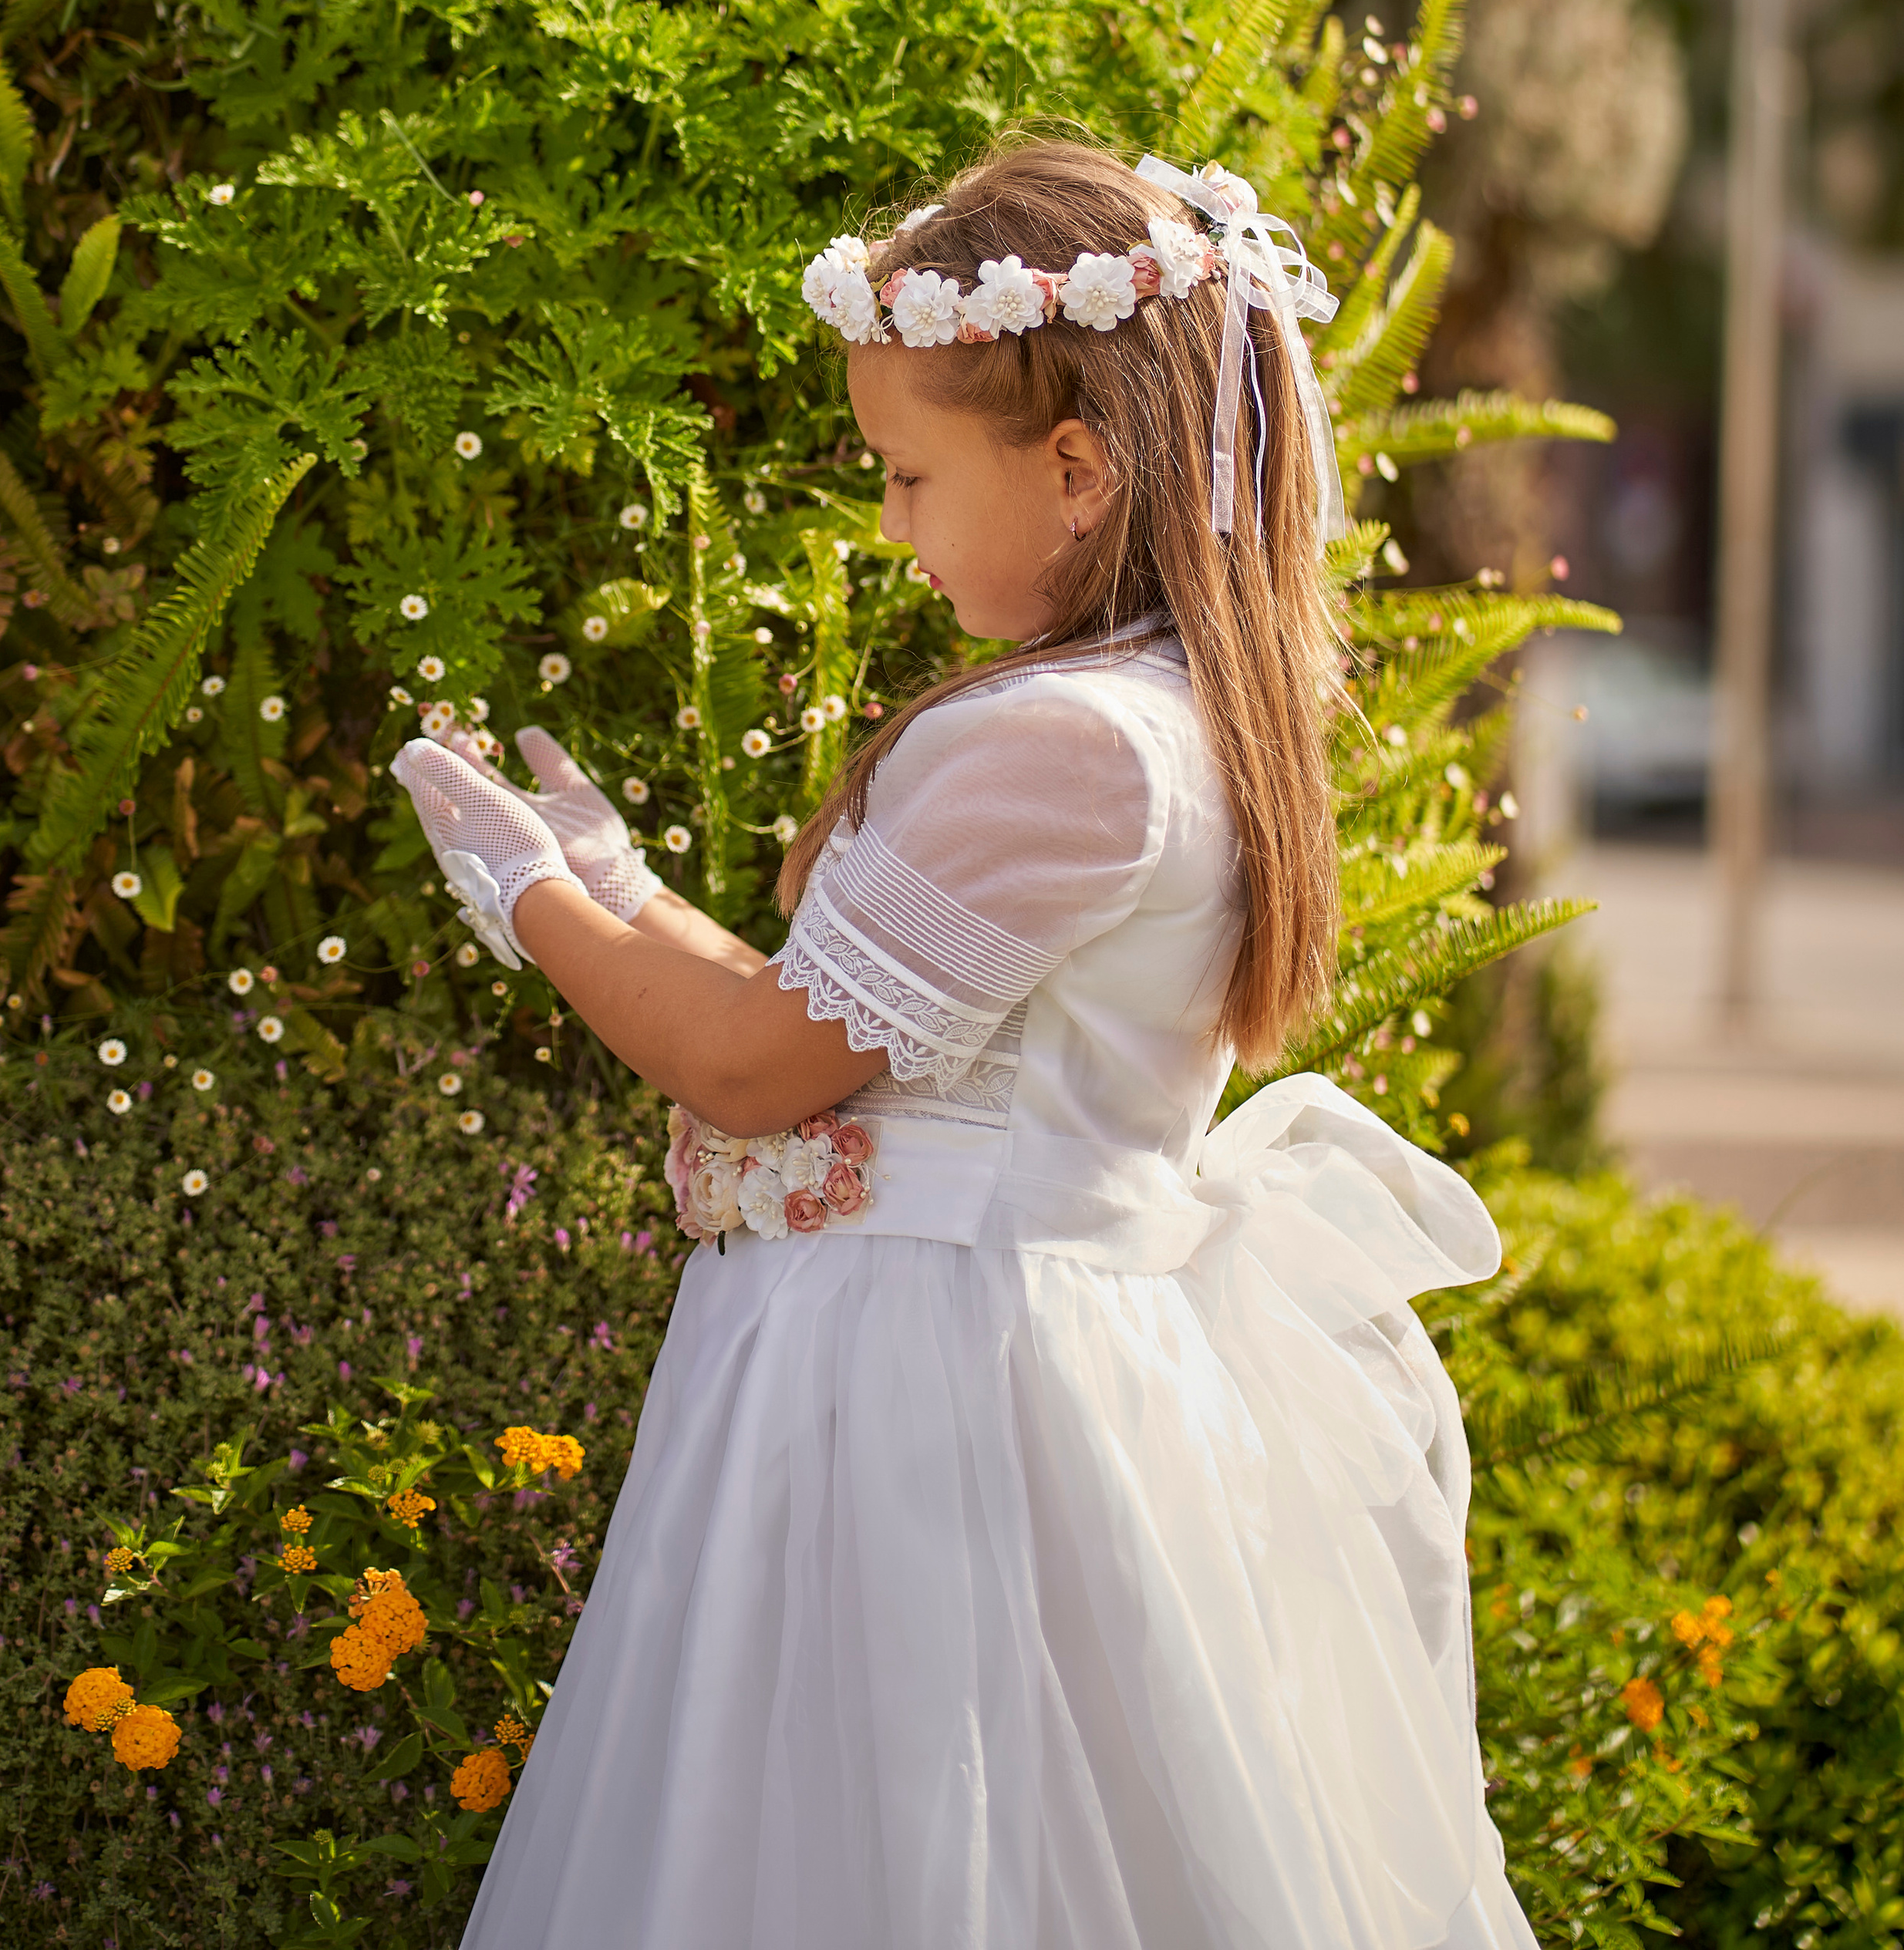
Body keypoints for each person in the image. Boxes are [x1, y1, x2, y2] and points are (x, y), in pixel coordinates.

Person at [394, 137, 1539, 1950]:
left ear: (1074, 469)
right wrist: (623, 893)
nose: (887, 522)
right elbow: (848, 1020)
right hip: (1008, 1334)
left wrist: (526, 905)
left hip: (935, 1384)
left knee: (912, 1836)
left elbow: (763, 1071)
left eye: (908, 473)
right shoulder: (1168, 714)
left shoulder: (1068, 742)